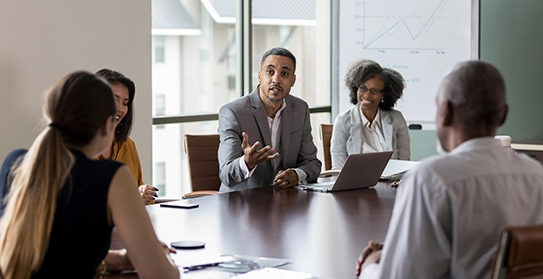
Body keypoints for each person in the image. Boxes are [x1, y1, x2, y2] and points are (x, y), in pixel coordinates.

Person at [356, 61, 543, 279]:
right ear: (503, 115)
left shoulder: (431, 180)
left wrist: (370, 266)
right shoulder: (537, 175)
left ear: (445, 111)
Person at [0, 71, 179, 279]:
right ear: (107, 125)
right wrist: (167, 259)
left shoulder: (15, 163)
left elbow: (52, 251)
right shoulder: (111, 176)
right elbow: (162, 276)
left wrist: (116, 258)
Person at [218, 47, 321, 192]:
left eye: (284, 74)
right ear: (260, 76)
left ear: (293, 80)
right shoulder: (233, 113)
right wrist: (246, 163)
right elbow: (226, 174)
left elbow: (312, 163)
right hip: (241, 204)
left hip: (284, 203)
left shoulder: (300, 109)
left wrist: (297, 175)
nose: (276, 80)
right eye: (270, 72)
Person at [331, 59, 409, 170]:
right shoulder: (343, 121)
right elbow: (338, 168)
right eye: (363, 88)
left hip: (390, 184)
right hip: (355, 183)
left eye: (375, 91)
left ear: (384, 95)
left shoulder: (396, 119)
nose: (367, 95)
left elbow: (404, 164)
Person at [95, 69, 158, 204]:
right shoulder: (75, 148)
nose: (120, 108)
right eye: (113, 99)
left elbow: (138, 194)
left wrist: (142, 192)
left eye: (125, 103)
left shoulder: (128, 145)